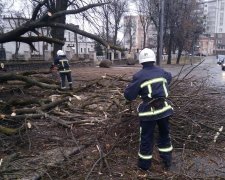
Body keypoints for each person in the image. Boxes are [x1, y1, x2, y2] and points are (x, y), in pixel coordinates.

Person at [124, 48, 173, 171]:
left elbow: (129, 96)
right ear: (153, 59)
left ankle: (144, 166)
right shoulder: (162, 72)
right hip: (164, 110)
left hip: (148, 112)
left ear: (141, 61)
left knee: (146, 138)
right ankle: (167, 161)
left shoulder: (139, 76)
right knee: (164, 135)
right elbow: (169, 78)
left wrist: (130, 88)